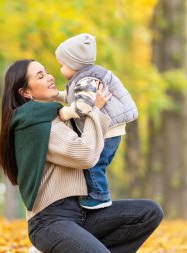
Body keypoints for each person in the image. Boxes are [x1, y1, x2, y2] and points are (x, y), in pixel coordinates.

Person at [0, 59, 163, 253]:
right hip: (50, 221)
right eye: (40, 76)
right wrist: (95, 109)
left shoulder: (59, 115)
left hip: (81, 214)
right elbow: (86, 155)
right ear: (26, 92)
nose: (50, 77)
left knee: (149, 213)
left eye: (47, 72)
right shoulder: (35, 123)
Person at [55, 33, 138, 209]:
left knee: (94, 163)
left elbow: (82, 106)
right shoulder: (86, 78)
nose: (61, 69)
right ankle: (95, 193)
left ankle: (99, 196)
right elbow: (76, 97)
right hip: (110, 130)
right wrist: (59, 95)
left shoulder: (87, 81)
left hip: (107, 131)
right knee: (97, 162)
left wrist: (66, 113)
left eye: (62, 65)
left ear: (74, 64)